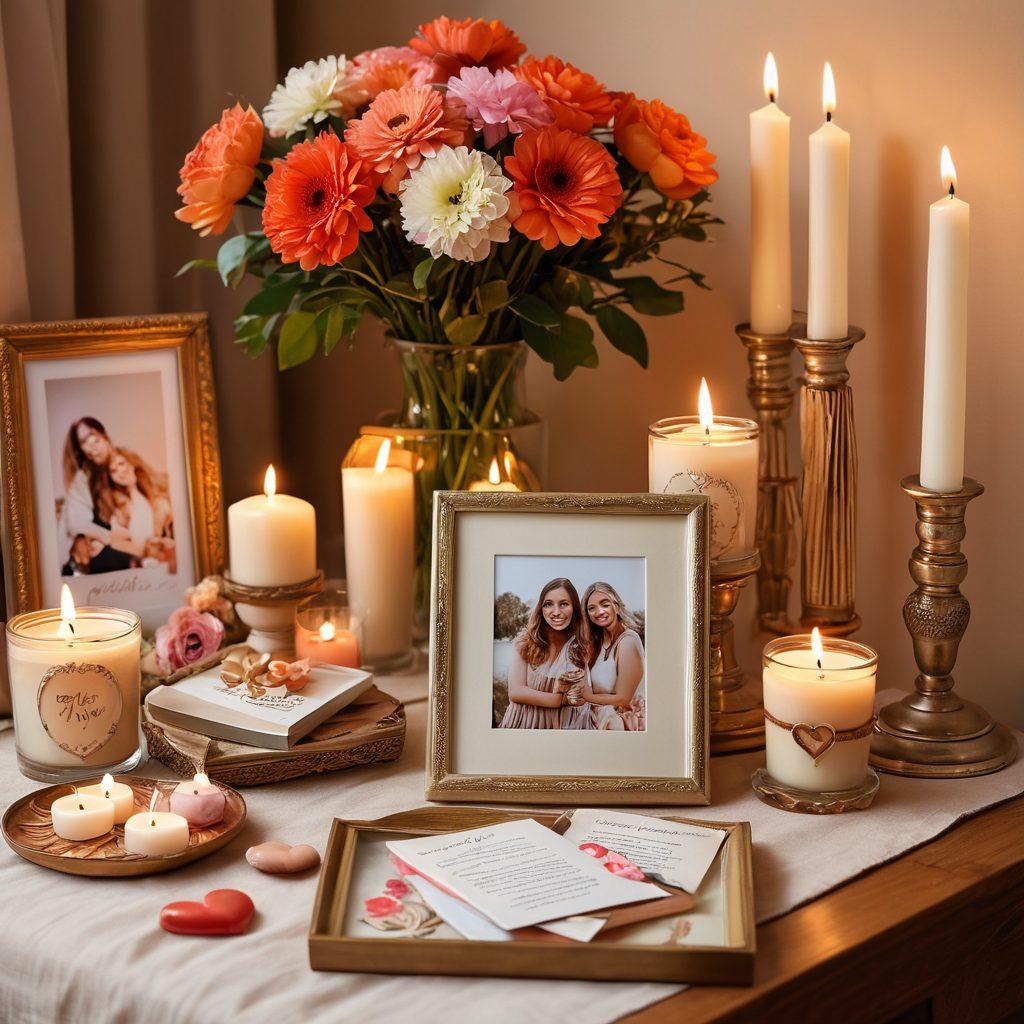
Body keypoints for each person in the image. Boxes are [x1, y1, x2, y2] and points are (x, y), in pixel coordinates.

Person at [498, 577, 592, 730]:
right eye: (548, 604)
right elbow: (516, 692)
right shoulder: (525, 642)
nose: (556, 612)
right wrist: (560, 700)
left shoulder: (581, 646)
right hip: (524, 724)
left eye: (564, 604)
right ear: (541, 609)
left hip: (564, 727)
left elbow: (582, 696)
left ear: (574, 608)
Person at [579, 581, 646, 730]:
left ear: (616, 604)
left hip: (621, 723)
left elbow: (623, 699)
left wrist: (587, 696)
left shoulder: (628, 640)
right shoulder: (597, 643)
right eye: (592, 608)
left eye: (605, 604)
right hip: (599, 717)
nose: (599, 612)